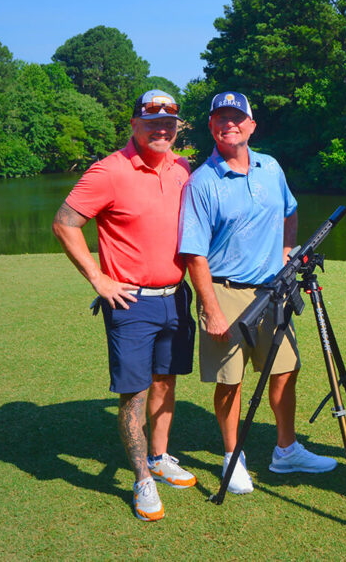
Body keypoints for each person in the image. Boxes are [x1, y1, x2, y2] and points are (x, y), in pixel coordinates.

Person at [178, 91, 336, 495]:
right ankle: (233, 455)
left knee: (286, 370)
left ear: (251, 125)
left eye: (237, 118)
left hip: (274, 290)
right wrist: (210, 309)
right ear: (212, 126)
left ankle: (286, 450)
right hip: (225, 290)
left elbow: (289, 209)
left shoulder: (270, 167)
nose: (229, 124)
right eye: (221, 119)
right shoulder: (202, 182)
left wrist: (287, 248)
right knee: (230, 380)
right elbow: (194, 254)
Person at [52, 90, 196, 522]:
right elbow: (65, 222)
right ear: (134, 124)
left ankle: (159, 457)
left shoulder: (182, 167)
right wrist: (98, 278)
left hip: (176, 297)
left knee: (166, 382)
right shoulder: (109, 171)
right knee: (133, 394)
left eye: (169, 123)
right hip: (130, 301)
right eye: (152, 122)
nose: (161, 130)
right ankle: (141, 479)